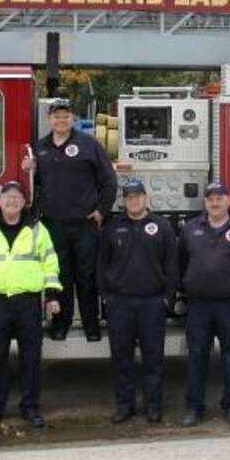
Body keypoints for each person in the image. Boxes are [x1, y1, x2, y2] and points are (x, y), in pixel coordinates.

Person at [0, 181, 62, 429]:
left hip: (28, 302)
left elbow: (50, 263)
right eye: (7, 197)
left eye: (17, 197)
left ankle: (30, 407)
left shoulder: (37, 229)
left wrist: (52, 296)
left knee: (30, 359)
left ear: (24, 203)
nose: (12, 201)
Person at [22, 98, 117, 342]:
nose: (61, 120)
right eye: (56, 116)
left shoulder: (89, 144)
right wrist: (28, 169)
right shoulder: (40, 148)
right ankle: (60, 324)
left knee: (87, 278)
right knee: (59, 277)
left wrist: (102, 211)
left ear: (72, 118)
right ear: (49, 119)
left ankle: (91, 325)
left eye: (65, 116)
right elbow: (37, 184)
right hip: (53, 225)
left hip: (85, 224)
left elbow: (108, 179)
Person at [178, 182, 230, 428]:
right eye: (211, 199)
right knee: (197, 356)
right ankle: (194, 407)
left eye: (219, 198)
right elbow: (181, 261)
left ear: (228, 201)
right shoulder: (191, 229)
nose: (215, 203)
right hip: (199, 305)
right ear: (205, 203)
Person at [97, 179, 179, 424]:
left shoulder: (162, 226)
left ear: (146, 198)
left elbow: (172, 265)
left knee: (153, 358)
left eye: (138, 196)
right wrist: (106, 296)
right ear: (124, 201)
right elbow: (101, 264)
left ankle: (153, 405)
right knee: (121, 358)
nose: (134, 201)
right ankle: (125, 405)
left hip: (152, 303)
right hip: (120, 303)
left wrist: (167, 297)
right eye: (129, 197)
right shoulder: (113, 227)